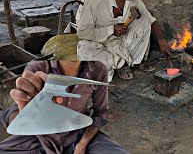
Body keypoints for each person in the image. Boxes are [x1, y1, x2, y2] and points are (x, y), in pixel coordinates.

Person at [0, 61, 129, 154]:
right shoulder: (37, 67)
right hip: (38, 136)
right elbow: (11, 114)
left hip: (79, 133)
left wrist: (82, 144)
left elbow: (100, 113)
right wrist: (26, 113)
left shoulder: (97, 69)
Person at [76, 0, 172, 81]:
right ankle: (121, 63)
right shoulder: (96, 0)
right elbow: (82, 33)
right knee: (87, 52)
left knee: (144, 20)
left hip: (123, 43)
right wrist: (111, 30)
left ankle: (126, 62)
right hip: (101, 45)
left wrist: (162, 40)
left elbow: (150, 19)